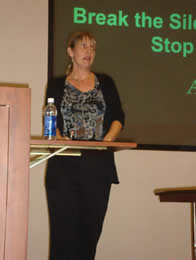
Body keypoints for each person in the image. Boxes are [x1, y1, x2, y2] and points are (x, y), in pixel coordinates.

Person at [45, 31, 125, 260]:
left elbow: (118, 116)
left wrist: (107, 140)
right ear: (70, 51)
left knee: (89, 237)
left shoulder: (106, 82)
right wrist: (60, 138)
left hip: (97, 166)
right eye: (83, 46)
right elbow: (52, 122)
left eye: (92, 47)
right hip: (64, 166)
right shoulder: (57, 84)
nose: (88, 51)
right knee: (63, 238)